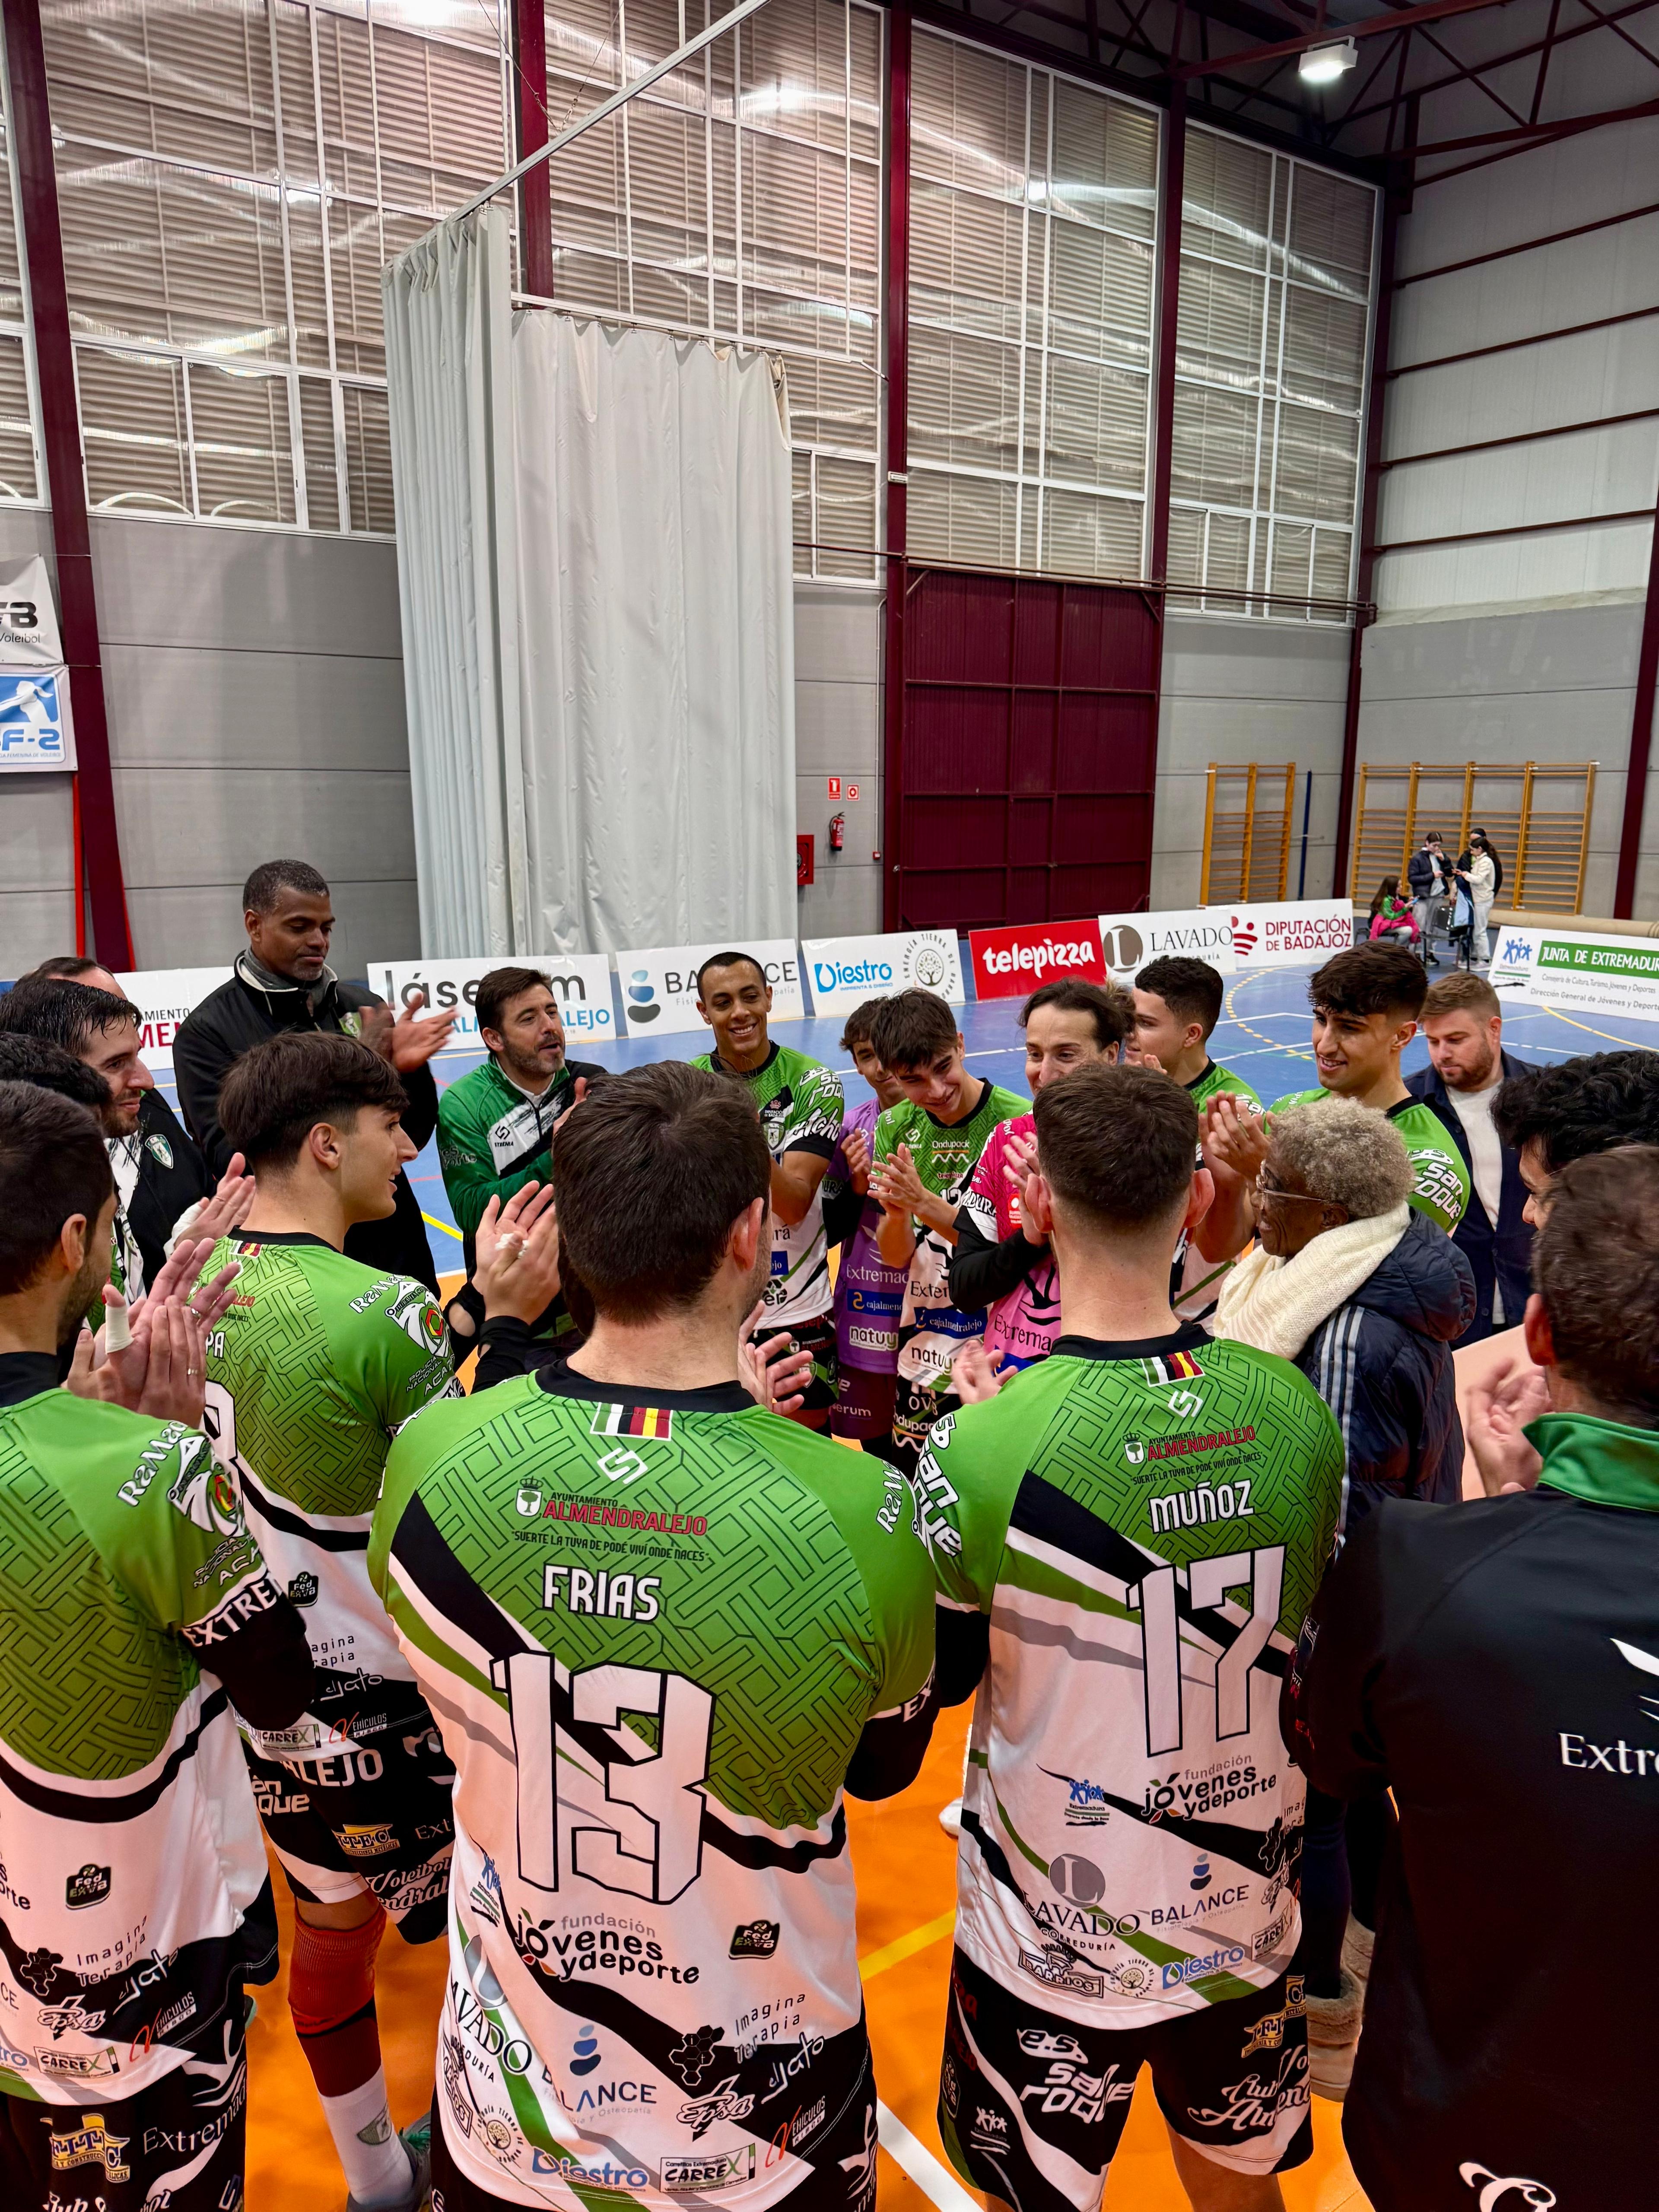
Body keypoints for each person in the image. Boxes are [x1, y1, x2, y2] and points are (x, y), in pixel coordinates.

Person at [369, 1061, 938, 2209]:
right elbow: (882, 1769)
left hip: (513, 2101)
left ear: (571, 1241)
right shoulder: (855, 1511)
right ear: (749, 1236)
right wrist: (762, 1464)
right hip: (763, 2120)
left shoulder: (430, 1456)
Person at [915, 1062, 1344, 2212]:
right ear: (1199, 1196)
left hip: (1052, 1935)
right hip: (1246, 1915)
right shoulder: (1295, 1410)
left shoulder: (980, 1448)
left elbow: (945, 1680)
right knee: (1241, 2189)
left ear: (1037, 1205)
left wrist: (979, 1438)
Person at [1283, 1145, 1659, 2210]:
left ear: (1536, 1334)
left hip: (1471, 2136)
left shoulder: (1414, 1566)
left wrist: (1500, 1516)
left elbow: (1332, 1762)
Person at [0, 1081, 315, 2212]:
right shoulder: (146, 1469)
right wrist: (178, 1466)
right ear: (75, 1240)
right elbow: (280, 1686)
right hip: (132, 1974)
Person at [198, 1033, 464, 2212]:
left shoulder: (191, 1275)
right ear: (323, 1143)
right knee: (504, 1941)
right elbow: (454, 1519)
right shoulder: (386, 1310)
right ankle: (477, 2156)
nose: (406, 1147)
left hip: (269, 1695)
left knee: (331, 1931)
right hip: (402, 1698)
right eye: (389, 1126)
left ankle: (374, 2181)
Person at [1211, 1099, 1474, 2096]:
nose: (1257, 1204)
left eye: (1271, 1188)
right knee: (1359, 1797)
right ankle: (1372, 1937)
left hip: (1345, 1610)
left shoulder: (1347, 1332)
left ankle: (1323, 2013)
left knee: (1316, 1812)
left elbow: (1335, 1508)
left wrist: (1308, 1651)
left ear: (1324, 1212)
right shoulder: (1383, 1269)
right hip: (1402, 1585)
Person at [174, 859, 453, 1294]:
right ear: (254, 925)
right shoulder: (207, 1033)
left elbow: (409, 1139)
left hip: (394, 1246)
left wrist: (408, 1074)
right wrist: (364, 1068)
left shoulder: (362, 1006)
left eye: (326, 928)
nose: (318, 941)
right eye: (300, 926)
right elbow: (240, 1162)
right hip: (301, 1264)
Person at [1202, 945, 1469, 1261]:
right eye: (1321, 1020)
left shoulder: (1428, 1165)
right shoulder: (1289, 1112)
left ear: (1402, 1036)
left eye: (1349, 1027)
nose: (1324, 1045)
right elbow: (1218, 1251)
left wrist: (1270, 1179)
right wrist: (1230, 1184)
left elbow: (1360, 1270)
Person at [688, 950, 846, 1427]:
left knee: (807, 1453)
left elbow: (794, 1203)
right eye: (723, 1002)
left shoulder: (814, 1083)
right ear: (704, 1012)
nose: (739, 1012)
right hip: (715, 1314)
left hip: (800, 1311)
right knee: (722, 1455)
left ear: (769, 998)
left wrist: (747, 1134)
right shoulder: (688, 1087)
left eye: (749, 996)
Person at [868, 988, 1027, 1460]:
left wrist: (923, 1202)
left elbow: (1013, 1251)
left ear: (960, 1044)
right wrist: (899, 1214)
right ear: (892, 1075)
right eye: (914, 1080)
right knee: (917, 1480)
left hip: (1001, 1346)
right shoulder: (894, 1127)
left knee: (995, 1476)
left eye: (943, 1067)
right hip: (924, 1346)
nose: (936, 1090)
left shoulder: (1018, 1122)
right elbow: (895, 1255)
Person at [0, 977, 227, 1305]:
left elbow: (119, 1321)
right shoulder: (24, 1208)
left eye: (137, 1057)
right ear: (51, 1069)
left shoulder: (86, 1170)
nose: (147, 1081)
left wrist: (177, 1261)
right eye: (117, 1064)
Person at [949, 979, 1131, 1378]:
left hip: (1107, 1373)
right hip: (1012, 1375)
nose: (1044, 1073)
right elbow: (964, 1289)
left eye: (1066, 1054)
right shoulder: (1008, 1142)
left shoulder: (1139, 1145)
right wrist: (1029, 1240)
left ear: (1110, 1055)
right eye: (1035, 1054)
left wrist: (1060, 1212)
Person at [436, 966, 605, 1349]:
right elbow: (472, 1209)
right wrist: (557, 1157)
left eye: (551, 1012)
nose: (549, 1027)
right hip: (515, 1317)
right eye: (529, 1019)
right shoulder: (465, 1104)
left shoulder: (591, 1083)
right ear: (494, 1038)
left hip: (593, 1306)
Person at [1405, 972, 1533, 1343]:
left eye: (1456, 1040)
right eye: (1433, 1041)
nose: (1442, 1054)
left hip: (1532, 1303)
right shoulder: (1408, 1108)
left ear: (1494, 1029)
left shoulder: (1545, 1097)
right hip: (1447, 1315)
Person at [824, 998, 909, 1452]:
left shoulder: (943, 1126)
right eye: (866, 1055)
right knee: (878, 1450)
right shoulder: (850, 1132)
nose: (880, 1066)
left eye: (887, 1050)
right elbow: (829, 1229)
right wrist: (856, 1188)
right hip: (866, 1311)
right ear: (855, 1063)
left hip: (928, 1313)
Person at [1454, 832, 1497, 966]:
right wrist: (1463, 874)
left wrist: (1465, 875)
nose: (1471, 853)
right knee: (1477, 930)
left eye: (1473, 850)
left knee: (1480, 931)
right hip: (1478, 899)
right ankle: (1479, 957)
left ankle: (1485, 959)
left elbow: (1478, 879)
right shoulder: (1480, 860)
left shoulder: (1486, 862)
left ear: (1480, 849)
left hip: (1484, 900)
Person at [1405, 834, 1448, 966]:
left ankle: (1430, 953)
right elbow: (1412, 879)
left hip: (1438, 895)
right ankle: (1415, 953)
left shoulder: (1441, 856)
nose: (1437, 848)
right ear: (1427, 843)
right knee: (1419, 925)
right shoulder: (1417, 859)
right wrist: (1432, 876)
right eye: (1434, 845)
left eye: (1439, 846)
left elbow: (1450, 872)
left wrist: (1445, 861)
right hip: (1423, 896)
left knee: (1433, 926)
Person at [1366, 879, 1416, 947]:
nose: (1401, 887)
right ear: (1392, 888)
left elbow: (1408, 913)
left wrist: (1409, 903)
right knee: (1408, 930)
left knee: (1413, 929)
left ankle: (1401, 950)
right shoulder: (1384, 900)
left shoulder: (1401, 898)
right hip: (1382, 926)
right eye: (1398, 886)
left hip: (1394, 924)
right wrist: (1405, 908)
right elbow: (1392, 917)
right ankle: (1395, 949)